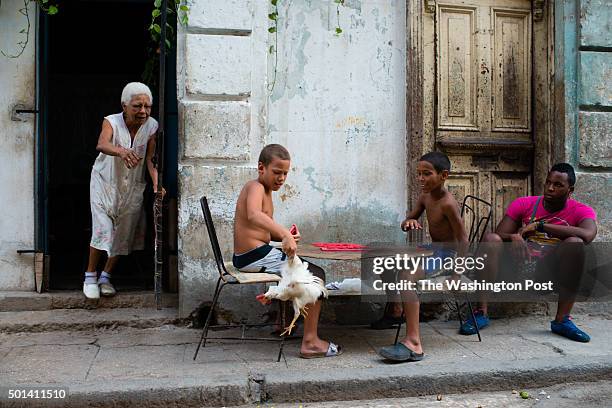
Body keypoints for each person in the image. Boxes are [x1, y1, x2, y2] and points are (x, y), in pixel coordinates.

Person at [460, 163, 597, 342]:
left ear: (570, 190)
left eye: (558, 185)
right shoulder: (525, 203)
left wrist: (540, 226)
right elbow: (498, 234)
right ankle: (480, 313)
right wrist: (514, 237)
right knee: (491, 240)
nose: (550, 188)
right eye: (548, 182)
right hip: (518, 266)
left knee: (575, 244)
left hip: (548, 272)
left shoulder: (581, 210)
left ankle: (562, 320)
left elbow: (588, 235)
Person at [232, 144, 342, 358]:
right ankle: (310, 342)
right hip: (253, 256)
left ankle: (283, 323)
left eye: (285, 173)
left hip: (255, 253)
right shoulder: (255, 187)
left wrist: (285, 234)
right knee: (315, 276)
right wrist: (283, 234)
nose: (281, 178)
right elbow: (254, 215)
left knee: (308, 270)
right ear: (261, 168)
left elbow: (261, 229)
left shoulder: (265, 190)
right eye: (277, 172)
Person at [378, 152, 468, 362]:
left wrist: (457, 274)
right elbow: (407, 220)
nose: (420, 179)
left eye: (426, 174)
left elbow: (463, 239)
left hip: (447, 255)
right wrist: (408, 223)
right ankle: (395, 310)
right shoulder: (425, 197)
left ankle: (414, 343)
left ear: (443, 175)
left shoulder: (448, 204)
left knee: (406, 277)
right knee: (385, 262)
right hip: (431, 249)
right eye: (418, 174)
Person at [83, 82, 163, 299]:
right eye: (137, 106)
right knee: (103, 229)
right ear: (124, 106)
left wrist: (156, 184)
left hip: (132, 187)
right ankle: (90, 275)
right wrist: (121, 151)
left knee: (122, 234)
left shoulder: (152, 126)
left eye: (147, 106)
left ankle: (105, 277)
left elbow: (151, 160)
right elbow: (101, 144)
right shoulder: (112, 121)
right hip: (104, 183)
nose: (143, 111)